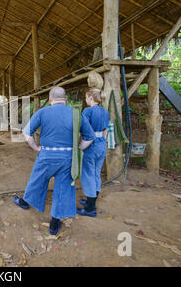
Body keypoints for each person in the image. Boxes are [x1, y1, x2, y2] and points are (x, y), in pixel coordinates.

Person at [13, 87, 95, 236]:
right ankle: (55, 222)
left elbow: (27, 134)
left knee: (37, 180)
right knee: (63, 188)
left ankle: (26, 202)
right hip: (67, 158)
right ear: (66, 99)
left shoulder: (43, 112)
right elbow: (89, 137)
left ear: (50, 99)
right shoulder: (76, 113)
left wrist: (36, 148)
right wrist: (77, 149)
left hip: (46, 156)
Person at [77, 88, 110, 217]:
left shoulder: (88, 111)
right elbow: (106, 130)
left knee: (88, 175)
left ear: (90, 97)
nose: (85, 100)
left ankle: (90, 209)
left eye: (86, 98)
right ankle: (91, 202)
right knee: (96, 173)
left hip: (90, 144)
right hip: (102, 144)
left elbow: (82, 129)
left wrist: (79, 145)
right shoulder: (105, 112)